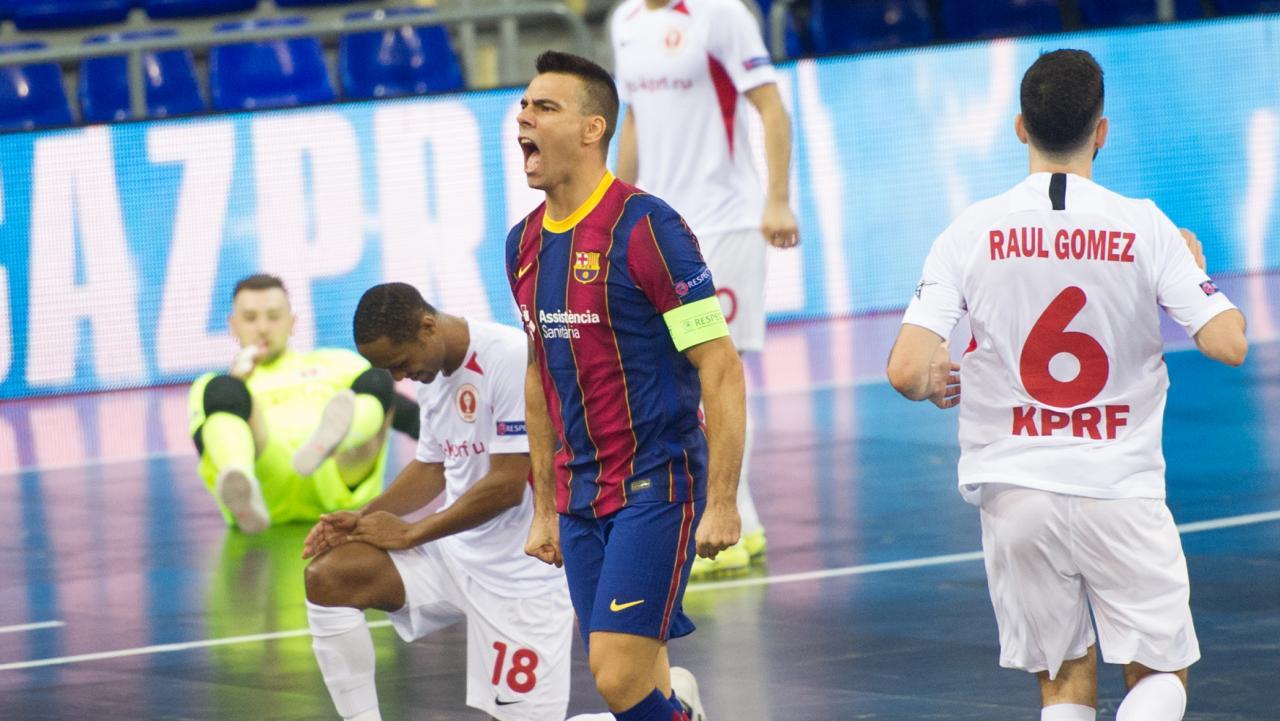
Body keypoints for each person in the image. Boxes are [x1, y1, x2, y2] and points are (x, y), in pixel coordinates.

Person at [886, 49, 1248, 721]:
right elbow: (1229, 343)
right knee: (1161, 670)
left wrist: (936, 378)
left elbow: (907, 369)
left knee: (1061, 679)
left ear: (1021, 127)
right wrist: (1193, 270)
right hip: (1119, 486)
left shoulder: (970, 230)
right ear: (1101, 131)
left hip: (1015, 490)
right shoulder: (1146, 226)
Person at [508, 50, 746, 721]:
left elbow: (719, 363)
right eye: (523, 106)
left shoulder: (648, 228)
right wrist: (546, 505)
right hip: (581, 490)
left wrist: (723, 500)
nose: (524, 117)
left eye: (544, 107)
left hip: (656, 483)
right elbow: (539, 372)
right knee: (638, 677)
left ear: (592, 129)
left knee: (613, 674)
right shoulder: (522, 244)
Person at [302, 282, 575, 721]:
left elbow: (508, 485)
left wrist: (411, 532)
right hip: (457, 557)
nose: (397, 378)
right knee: (331, 577)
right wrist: (362, 517)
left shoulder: (510, 355)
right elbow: (432, 467)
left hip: (522, 575)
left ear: (427, 327)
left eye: (400, 364)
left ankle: (671, 709)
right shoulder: (430, 371)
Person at [611, 0, 800, 576]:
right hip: (661, 226)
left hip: (726, 222)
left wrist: (776, 199)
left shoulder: (720, 14)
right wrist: (613, 207)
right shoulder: (624, 21)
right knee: (672, 372)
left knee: (716, 368)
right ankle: (743, 517)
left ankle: (728, 524)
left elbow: (771, 108)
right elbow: (635, 119)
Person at [187, 273, 420, 534]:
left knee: (376, 380)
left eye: (274, 316)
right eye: (251, 318)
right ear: (233, 325)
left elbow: (406, 414)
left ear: (292, 322)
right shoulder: (215, 383)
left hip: (341, 474)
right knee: (222, 393)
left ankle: (329, 441)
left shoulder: (337, 363)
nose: (263, 328)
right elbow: (204, 442)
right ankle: (241, 483)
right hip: (266, 485)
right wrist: (237, 381)